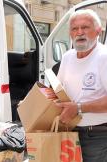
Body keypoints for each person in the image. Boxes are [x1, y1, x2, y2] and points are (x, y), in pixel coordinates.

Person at [56, 9, 107, 162]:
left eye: (85, 27)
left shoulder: (104, 57)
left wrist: (78, 108)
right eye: (74, 28)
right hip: (68, 130)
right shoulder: (67, 57)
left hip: (96, 136)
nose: (79, 32)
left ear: (98, 31)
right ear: (70, 34)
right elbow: (57, 89)